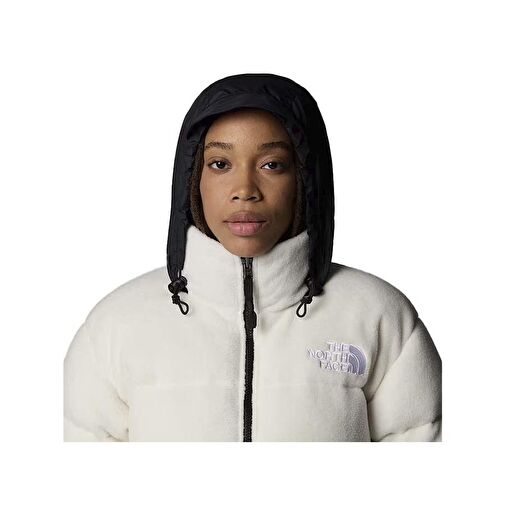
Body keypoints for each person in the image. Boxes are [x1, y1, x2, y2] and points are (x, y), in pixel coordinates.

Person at [63, 73, 442, 442]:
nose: (245, 189)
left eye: (272, 165)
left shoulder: (378, 316)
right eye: (220, 164)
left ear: (305, 179)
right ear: (193, 179)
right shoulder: (116, 325)